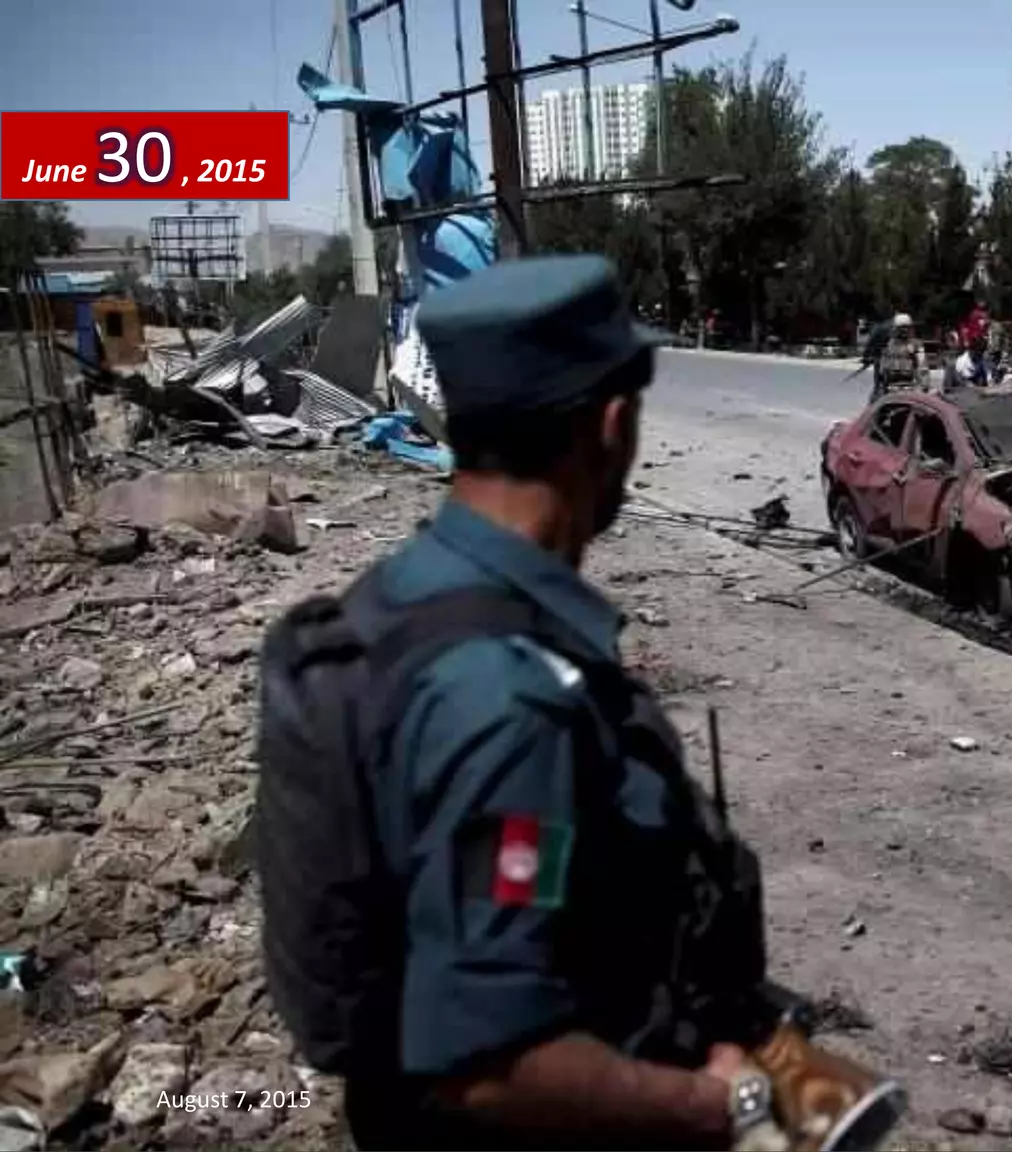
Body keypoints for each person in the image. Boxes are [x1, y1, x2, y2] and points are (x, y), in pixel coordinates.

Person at [257, 256, 781, 1148]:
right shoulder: (506, 694)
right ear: (609, 427)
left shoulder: (402, 596)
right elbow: (489, 1061)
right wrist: (722, 1105)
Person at [869, 312, 925, 402]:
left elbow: (922, 368)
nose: (904, 330)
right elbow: (880, 372)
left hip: (910, 389)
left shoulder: (916, 345)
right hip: (889, 390)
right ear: (895, 328)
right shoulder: (886, 345)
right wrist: (878, 390)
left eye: (907, 327)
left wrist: (923, 388)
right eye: (902, 328)